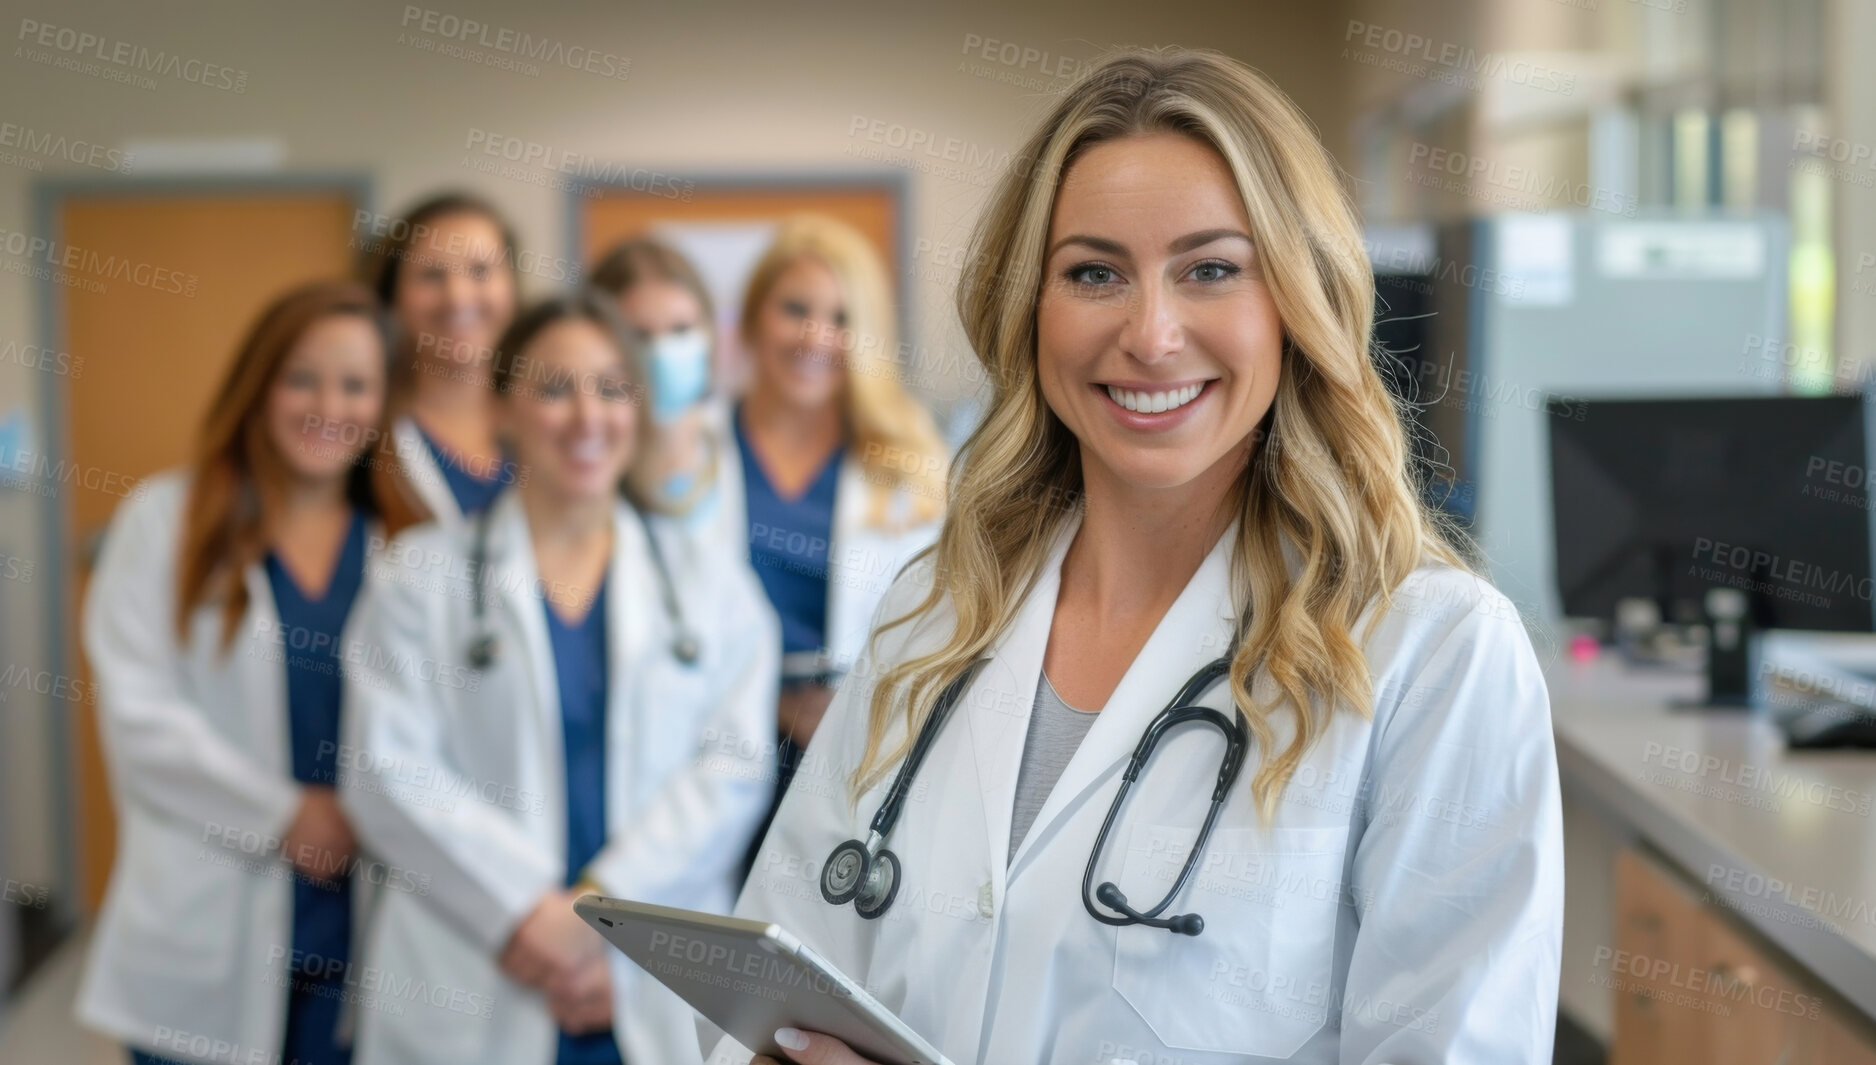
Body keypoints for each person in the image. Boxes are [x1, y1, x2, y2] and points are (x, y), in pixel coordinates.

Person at [720, 48, 1563, 1065]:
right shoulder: (936, 612)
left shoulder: (1432, 654)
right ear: (1029, 309)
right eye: (1092, 273)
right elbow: (777, 979)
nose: (1151, 334)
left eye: (1210, 269)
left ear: (1297, 301)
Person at [339, 291, 780, 1065]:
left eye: (612, 388)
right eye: (554, 388)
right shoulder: (417, 578)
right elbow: (387, 768)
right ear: (503, 406)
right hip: (479, 959)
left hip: (649, 970)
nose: (588, 417)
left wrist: (599, 920)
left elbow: (732, 773)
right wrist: (527, 916)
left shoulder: (714, 587)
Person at [76, 281, 424, 1065]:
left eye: (356, 383)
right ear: (258, 383)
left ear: (383, 403)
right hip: (207, 912)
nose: (327, 403)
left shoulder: (406, 540)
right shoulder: (165, 519)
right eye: (302, 376)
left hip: (362, 916)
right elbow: (139, 715)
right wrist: (284, 813)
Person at [725, 215, 948, 836]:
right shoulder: (691, 457)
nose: (816, 336)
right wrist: (772, 701)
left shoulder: (911, 472)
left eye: (842, 319)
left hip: (855, 759)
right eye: (794, 308)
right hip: (708, 756)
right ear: (751, 318)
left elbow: (938, 644)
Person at [367, 191, 523, 527]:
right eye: (432, 276)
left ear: (512, 288)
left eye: (480, 271)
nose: (457, 297)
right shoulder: (364, 435)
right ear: (393, 297)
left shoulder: (549, 420)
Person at [589, 237, 732, 543]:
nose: (662, 352)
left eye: (680, 330)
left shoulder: (738, 450)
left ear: (709, 332)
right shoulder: (582, 462)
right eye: (639, 335)